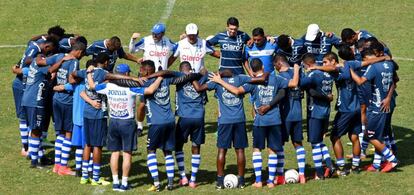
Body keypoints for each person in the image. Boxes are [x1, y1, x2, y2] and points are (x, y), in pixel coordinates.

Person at [210, 58, 300, 188]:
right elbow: (294, 83)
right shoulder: (275, 79)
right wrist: (296, 69)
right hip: (275, 120)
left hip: (259, 121)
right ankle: (270, 181)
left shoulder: (252, 83)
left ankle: (258, 180)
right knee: (272, 150)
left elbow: (236, 91)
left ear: (251, 69)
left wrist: (219, 81)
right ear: (263, 66)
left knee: (257, 150)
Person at [70, 53, 145, 185]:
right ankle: (96, 178)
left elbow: (73, 75)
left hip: (87, 111)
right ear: (105, 62)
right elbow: (114, 76)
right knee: (98, 145)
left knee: (88, 143)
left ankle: (84, 176)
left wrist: (77, 82)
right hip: (99, 113)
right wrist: (134, 78)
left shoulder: (86, 71)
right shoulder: (103, 73)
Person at [93, 64, 163, 191]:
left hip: (113, 121)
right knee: (127, 154)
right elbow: (150, 90)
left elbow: (93, 86)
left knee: (114, 153)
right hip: (127, 123)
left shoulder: (107, 86)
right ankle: (124, 183)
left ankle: (115, 182)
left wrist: (88, 74)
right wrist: (159, 77)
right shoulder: (131, 88)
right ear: (126, 74)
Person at [192, 69, 263, 189]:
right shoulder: (240, 78)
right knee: (240, 150)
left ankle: (220, 181)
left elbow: (199, 88)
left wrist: (192, 76)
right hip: (239, 119)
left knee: (222, 150)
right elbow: (257, 80)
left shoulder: (216, 81)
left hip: (225, 121)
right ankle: (241, 181)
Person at [349, 49, 399, 173]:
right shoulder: (390, 64)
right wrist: (388, 97)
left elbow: (360, 81)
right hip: (385, 105)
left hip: (377, 108)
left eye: (365, 60)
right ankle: (376, 165)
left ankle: (392, 159)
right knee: (378, 136)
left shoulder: (373, 67)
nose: (365, 63)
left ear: (368, 57)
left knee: (370, 136)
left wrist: (350, 70)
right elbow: (394, 81)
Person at [11, 37, 58, 157]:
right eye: (48, 52)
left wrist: (18, 68)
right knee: (28, 121)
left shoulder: (33, 54)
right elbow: (28, 61)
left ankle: (33, 151)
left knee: (29, 122)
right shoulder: (36, 54)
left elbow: (23, 64)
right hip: (26, 90)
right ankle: (27, 149)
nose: (47, 55)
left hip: (27, 89)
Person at [21, 52, 68, 168]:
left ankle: (39, 158)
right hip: (35, 102)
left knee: (34, 130)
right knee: (37, 130)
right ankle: (34, 162)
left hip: (27, 100)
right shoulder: (41, 67)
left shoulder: (33, 63)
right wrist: (61, 61)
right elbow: (51, 70)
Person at [128, 22, 177, 136]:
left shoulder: (168, 42)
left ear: (163, 34)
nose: (154, 35)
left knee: (162, 100)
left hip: (161, 77)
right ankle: (140, 125)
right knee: (142, 103)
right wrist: (132, 40)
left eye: (157, 34)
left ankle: (161, 123)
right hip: (146, 77)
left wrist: (166, 66)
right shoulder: (146, 40)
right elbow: (132, 50)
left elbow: (177, 50)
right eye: (153, 33)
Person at [300, 53, 335, 180]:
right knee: (319, 141)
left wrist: (301, 73)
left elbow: (301, 84)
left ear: (308, 64)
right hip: (325, 111)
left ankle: (320, 172)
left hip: (315, 112)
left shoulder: (313, 74)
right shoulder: (327, 74)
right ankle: (330, 165)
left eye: (304, 65)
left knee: (315, 142)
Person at [174, 61, 208, 188]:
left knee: (178, 146)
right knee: (196, 146)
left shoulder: (179, 77)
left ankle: (183, 177)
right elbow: (207, 71)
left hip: (184, 117)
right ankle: (193, 180)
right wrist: (200, 72)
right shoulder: (201, 77)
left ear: (181, 70)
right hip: (199, 117)